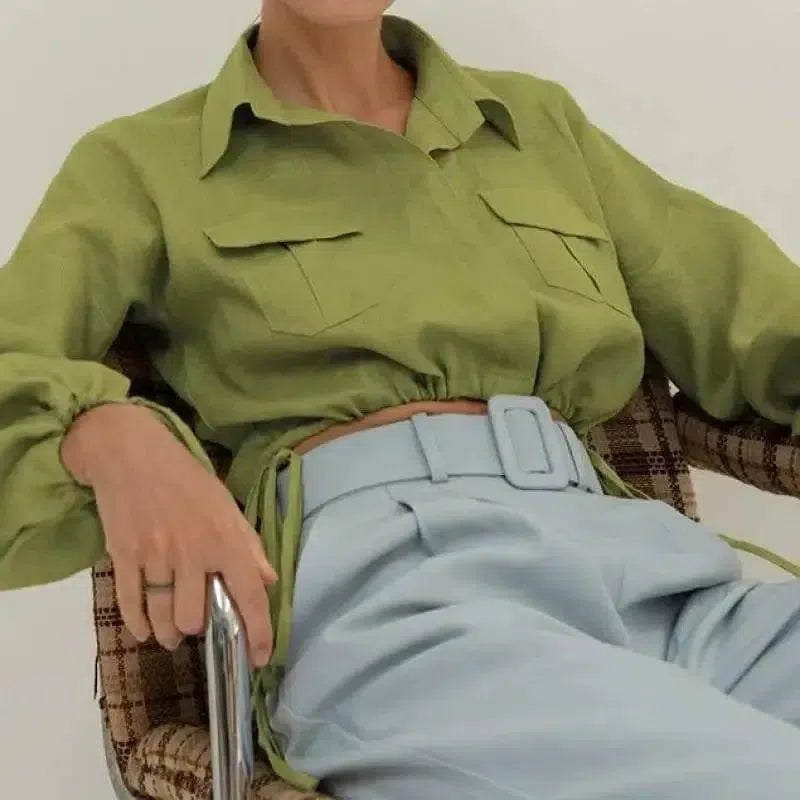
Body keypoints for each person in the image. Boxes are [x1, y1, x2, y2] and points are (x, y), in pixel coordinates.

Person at [1, 1, 800, 797]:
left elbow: (756, 314)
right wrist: (110, 436)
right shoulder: (140, 166)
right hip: (400, 605)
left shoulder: (537, 125)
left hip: (655, 579)